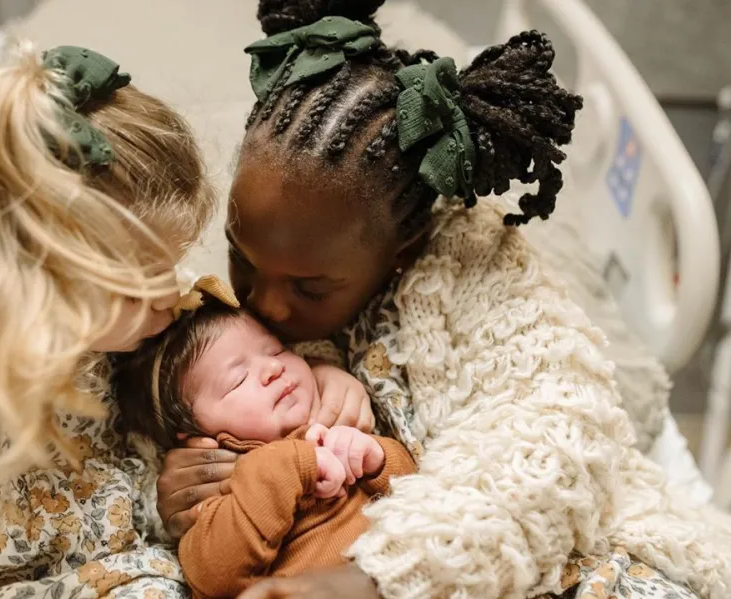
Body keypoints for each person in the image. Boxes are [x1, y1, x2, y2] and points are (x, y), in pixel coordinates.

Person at [154, 2, 731, 598]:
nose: (266, 307)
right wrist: (178, 490)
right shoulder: (220, 310)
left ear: (401, 250)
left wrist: (372, 582)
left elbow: (549, 450)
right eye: (241, 259)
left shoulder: (482, 281)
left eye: (309, 288)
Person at [111, 284, 415, 598]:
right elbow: (215, 576)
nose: (273, 367)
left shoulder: (336, 420)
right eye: (237, 379)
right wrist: (289, 465)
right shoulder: (220, 486)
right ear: (198, 438)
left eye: (276, 350)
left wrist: (376, 457)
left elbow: (419, 488)